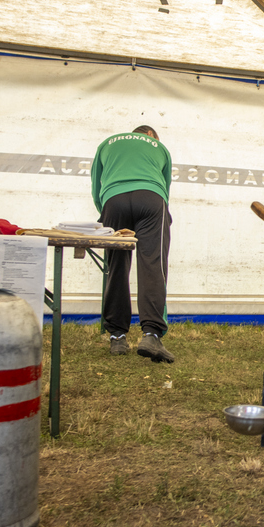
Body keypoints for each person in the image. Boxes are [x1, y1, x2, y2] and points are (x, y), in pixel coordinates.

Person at [91, 125, 175, 363]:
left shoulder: (107, 143)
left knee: (116, 266)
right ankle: (151, 335)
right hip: (151, 197)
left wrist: (107, 212)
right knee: (153, 265)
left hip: (113, 199)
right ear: (151, 136)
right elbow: (165, 187)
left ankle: (117, 336)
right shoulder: (160, 147)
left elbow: (96, 186)